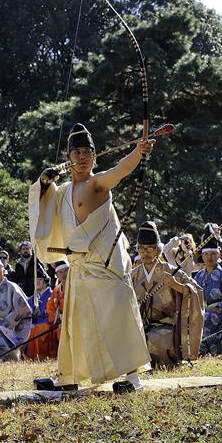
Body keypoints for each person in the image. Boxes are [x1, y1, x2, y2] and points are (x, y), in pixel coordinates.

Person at [30, 122, 151, 392]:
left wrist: (138, 151)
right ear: (68, 159)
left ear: (95, 157)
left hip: (106, 268)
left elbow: (120, 170)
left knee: (119, 317)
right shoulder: (61, 193)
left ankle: (133, 379)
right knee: (75, 328)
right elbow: (41, 210)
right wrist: (43, 183)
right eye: (77, 153)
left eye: (87, 153)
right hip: (80, 268)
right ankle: (69, 378)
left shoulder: (97, 183)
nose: (82, 158)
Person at [130, 220, 204, 367]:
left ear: (158, 250)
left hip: (166, 325)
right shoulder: (133, 275)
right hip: (140, 325)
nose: (145, 252)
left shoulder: (170, 270)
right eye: (142, 248)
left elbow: (196, 290)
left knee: (158, 338)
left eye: (150, 248)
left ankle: (166, 363)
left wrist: (176, 285)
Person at [27, 261, 66, 360]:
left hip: (69, 321)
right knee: (37, 330)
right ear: (57, 275)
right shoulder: (57, 290)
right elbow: (51, 310)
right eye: (60, 272)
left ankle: (63, 358)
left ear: (45, 281)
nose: (64, 274)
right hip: (55, 321)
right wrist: (56, 319)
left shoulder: (73, 287)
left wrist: (63, 318)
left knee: (61, 331)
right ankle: (38, 358)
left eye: (66, 271)